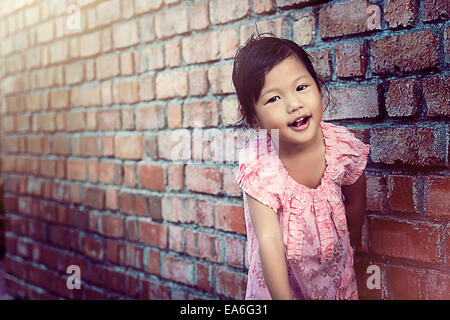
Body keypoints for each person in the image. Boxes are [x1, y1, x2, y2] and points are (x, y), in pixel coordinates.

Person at [233, 33, 371, 300]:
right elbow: (269, 242)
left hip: (332, 275)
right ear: (253, 118)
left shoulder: (342, 147)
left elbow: (357, 200)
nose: (294, 104)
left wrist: (349, 245)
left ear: (318, 86)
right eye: (274, 99)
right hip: (280, 283)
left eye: (301, 87)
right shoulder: (260, 166)